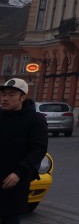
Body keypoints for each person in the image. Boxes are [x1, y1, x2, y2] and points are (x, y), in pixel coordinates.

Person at [0, 78, 48, 224]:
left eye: (11, 94)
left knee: (11, 217)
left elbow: (38, 149)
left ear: (23, 97)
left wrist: (18, 173)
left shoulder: (35, 119)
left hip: (15, 181)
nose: (5, 98)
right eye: (3, 94)